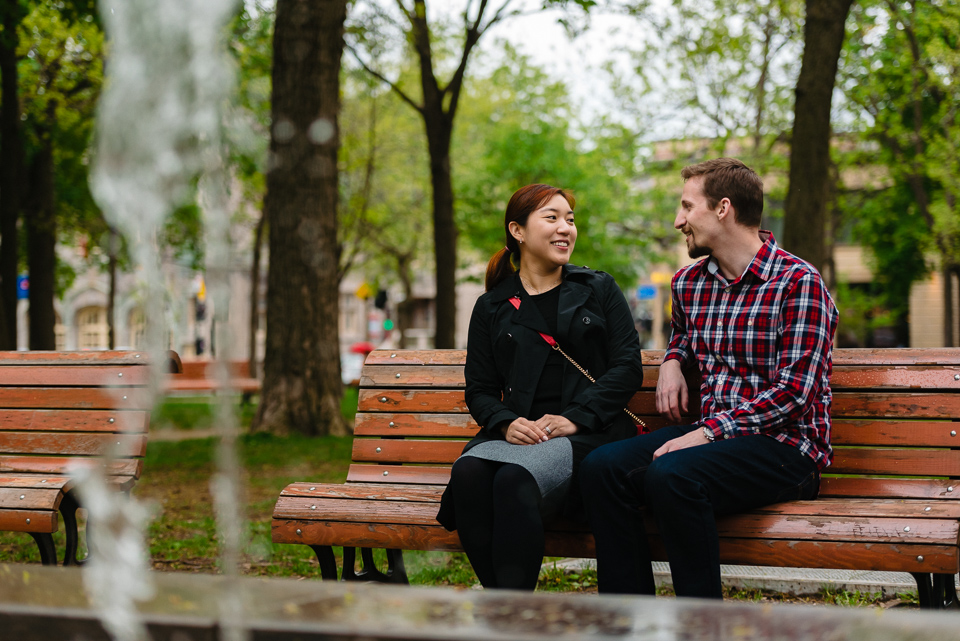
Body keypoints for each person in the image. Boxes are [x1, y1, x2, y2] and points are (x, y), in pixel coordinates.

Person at [580, 158, 839, 599]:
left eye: (686, 207)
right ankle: (628, 620)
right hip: (713, 441)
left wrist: (705, 434)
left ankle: (702, 624)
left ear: (723, 208)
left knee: (672, 474)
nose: (678, 221)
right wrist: (673, 360)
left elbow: (796, 393)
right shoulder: (689, 283)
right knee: (602, 468)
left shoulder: (799, 283)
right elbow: (684, 334)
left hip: (787, 449)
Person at [435, 183, 644, 590]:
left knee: (513, 480)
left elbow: (626, 368)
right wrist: (505, 423)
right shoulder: (493, 305)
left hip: (590, 432)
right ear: (518, 230)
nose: (566, 227)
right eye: (552, 217)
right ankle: (508, 612)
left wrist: (572, 419)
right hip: (521, 434)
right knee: (470, 475)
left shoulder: (598, 288)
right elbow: (479, 388)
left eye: (570, 219)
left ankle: (512, 614)